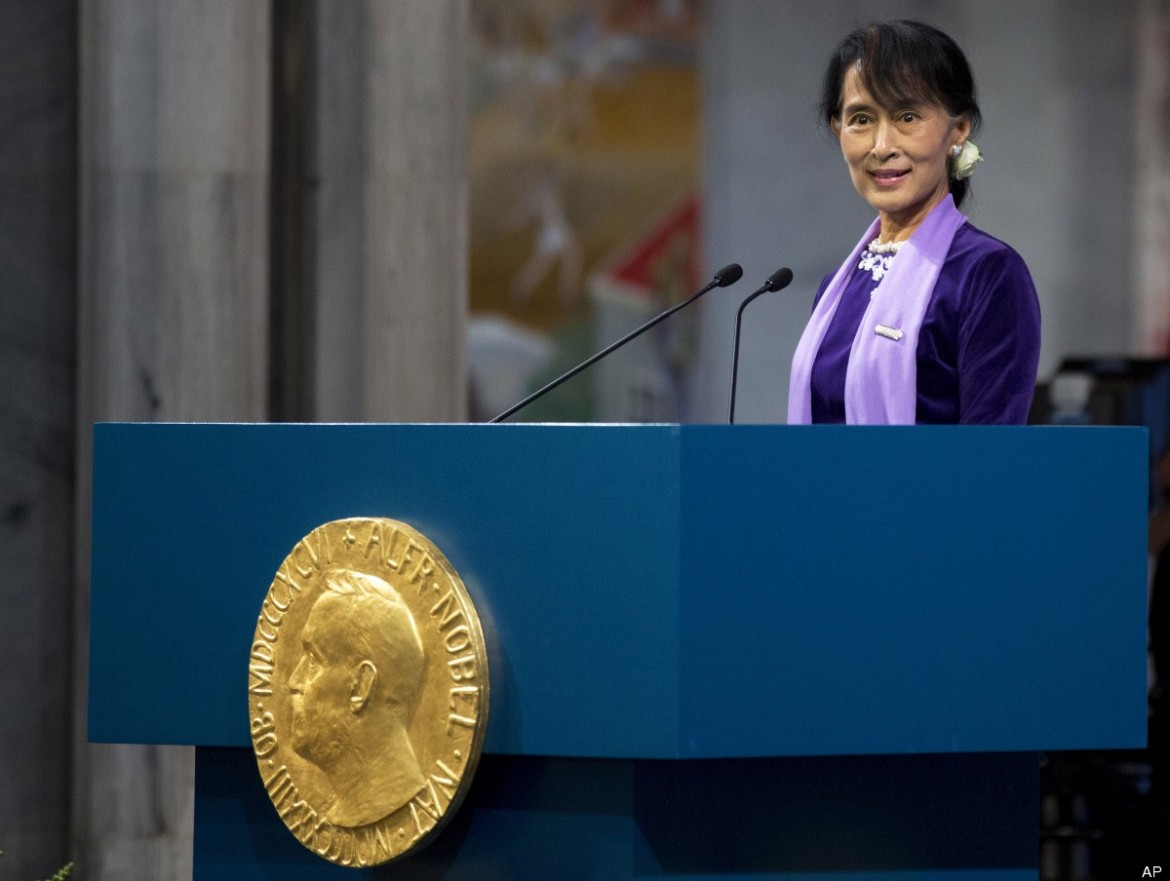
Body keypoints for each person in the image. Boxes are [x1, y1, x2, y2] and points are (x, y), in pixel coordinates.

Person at [788, 20, 1041, 425]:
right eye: (861, 119)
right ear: (838, 131)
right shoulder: (836, 288)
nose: (883, 146)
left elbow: (991, 457)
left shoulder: (987, 274)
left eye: (907, 116)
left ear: (958, 129)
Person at [287, 568, 427, 827]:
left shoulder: (392, 799)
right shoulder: (341, 811)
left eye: (314, 660)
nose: (293, 682)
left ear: (361, 686)